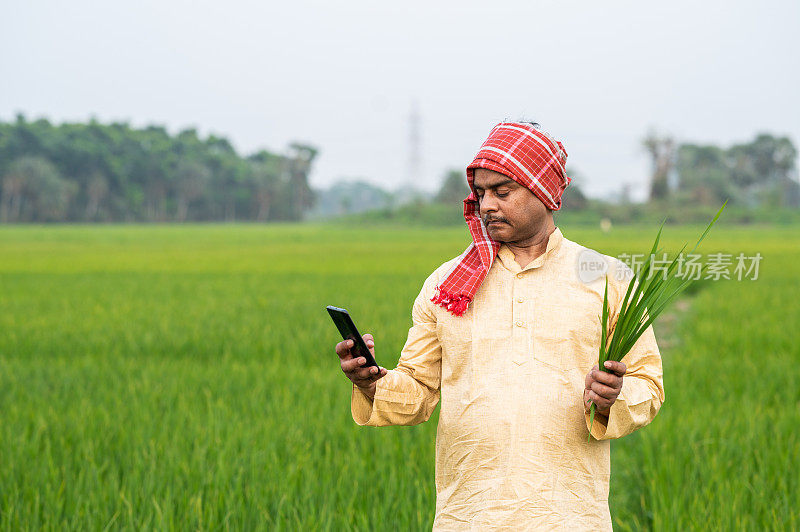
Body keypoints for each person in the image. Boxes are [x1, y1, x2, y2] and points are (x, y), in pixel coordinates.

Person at [335, 121, 665, 530]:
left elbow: (648, 386)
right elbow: (418, 389)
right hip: (468, 515)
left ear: (543, 191)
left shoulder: (606, 278)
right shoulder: (447, 284)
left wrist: (611, 396)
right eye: (480, 193)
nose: (486, 204)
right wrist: (371, 382)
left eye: (502, 192)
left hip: (569, 516)